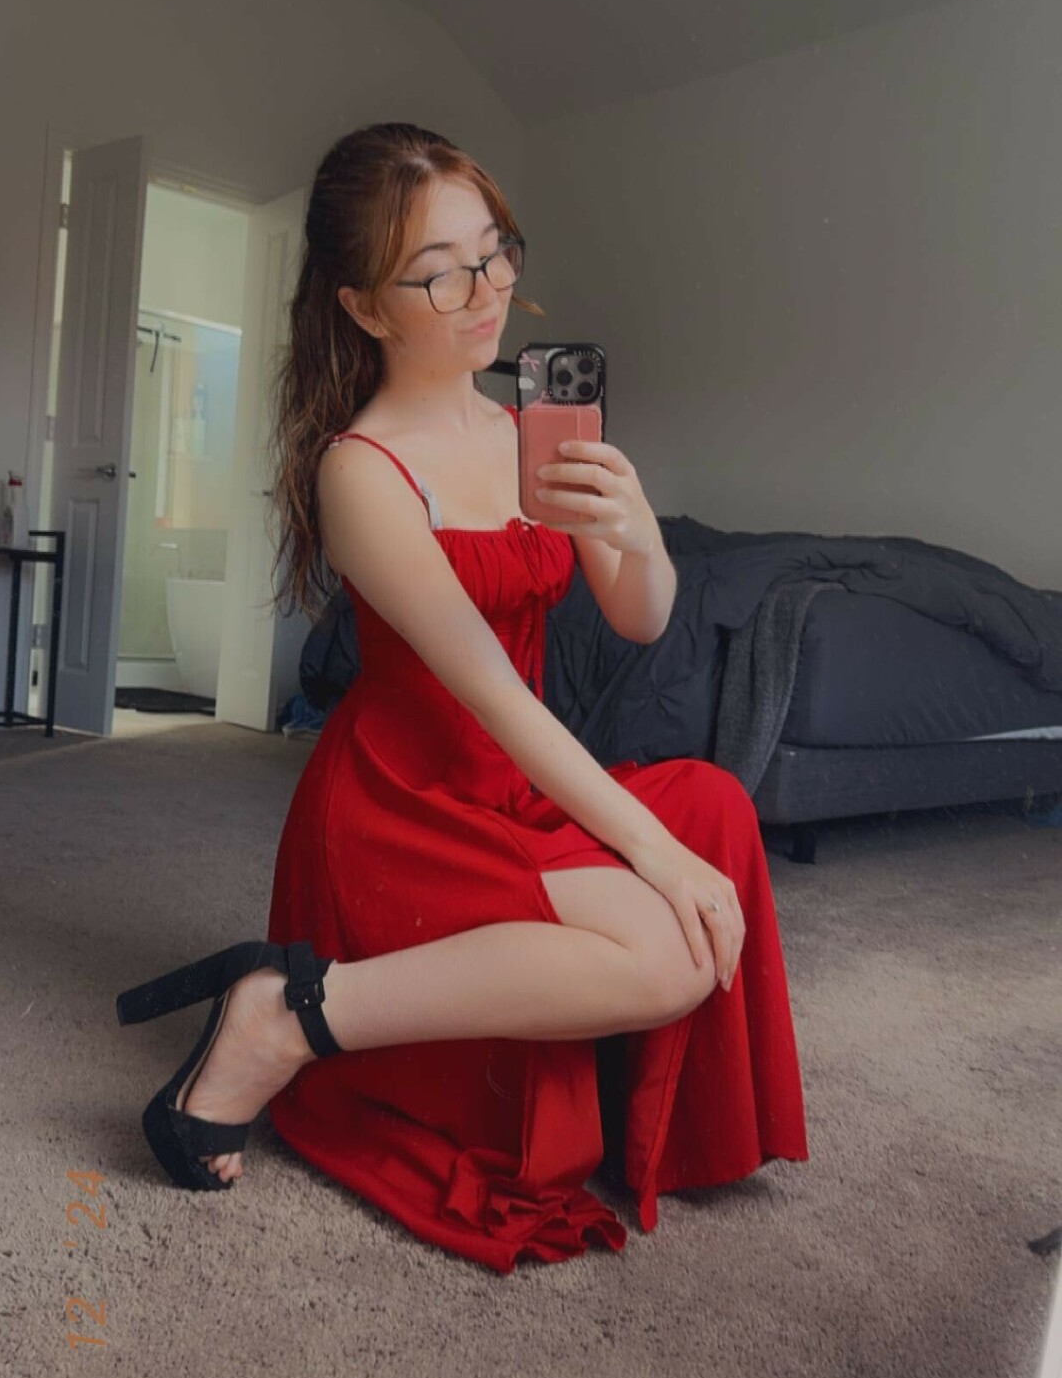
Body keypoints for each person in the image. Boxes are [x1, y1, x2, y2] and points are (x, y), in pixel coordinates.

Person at [117, 121, 808, 1271]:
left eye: (494, 253)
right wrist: (657, 858)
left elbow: (642, 617)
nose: (488, 292)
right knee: (670, 939)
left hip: (514, 786)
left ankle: (304, 1007)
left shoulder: (529, 430)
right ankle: (288, 1016)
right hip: (402, 803)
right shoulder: (360, 471)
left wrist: (637, 530)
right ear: (363, 307)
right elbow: (496, 699)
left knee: (715, 819)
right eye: (441, 273)